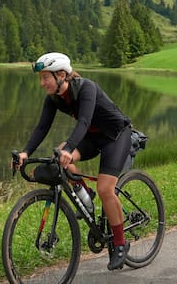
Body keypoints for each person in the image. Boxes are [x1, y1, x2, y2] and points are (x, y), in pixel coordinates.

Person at [15, 52, 134, 270]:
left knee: (106, 189)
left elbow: (85, 120)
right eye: (40, 78)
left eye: (45, 78)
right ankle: (84, 194)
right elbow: (43, 127)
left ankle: (119, 243)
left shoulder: (86, 88)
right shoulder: (54, 98)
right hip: (91, 137)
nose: (42, 83)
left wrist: (69, 148)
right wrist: (26, 153)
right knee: (59, 158)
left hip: (115, 136)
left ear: (61, 74)